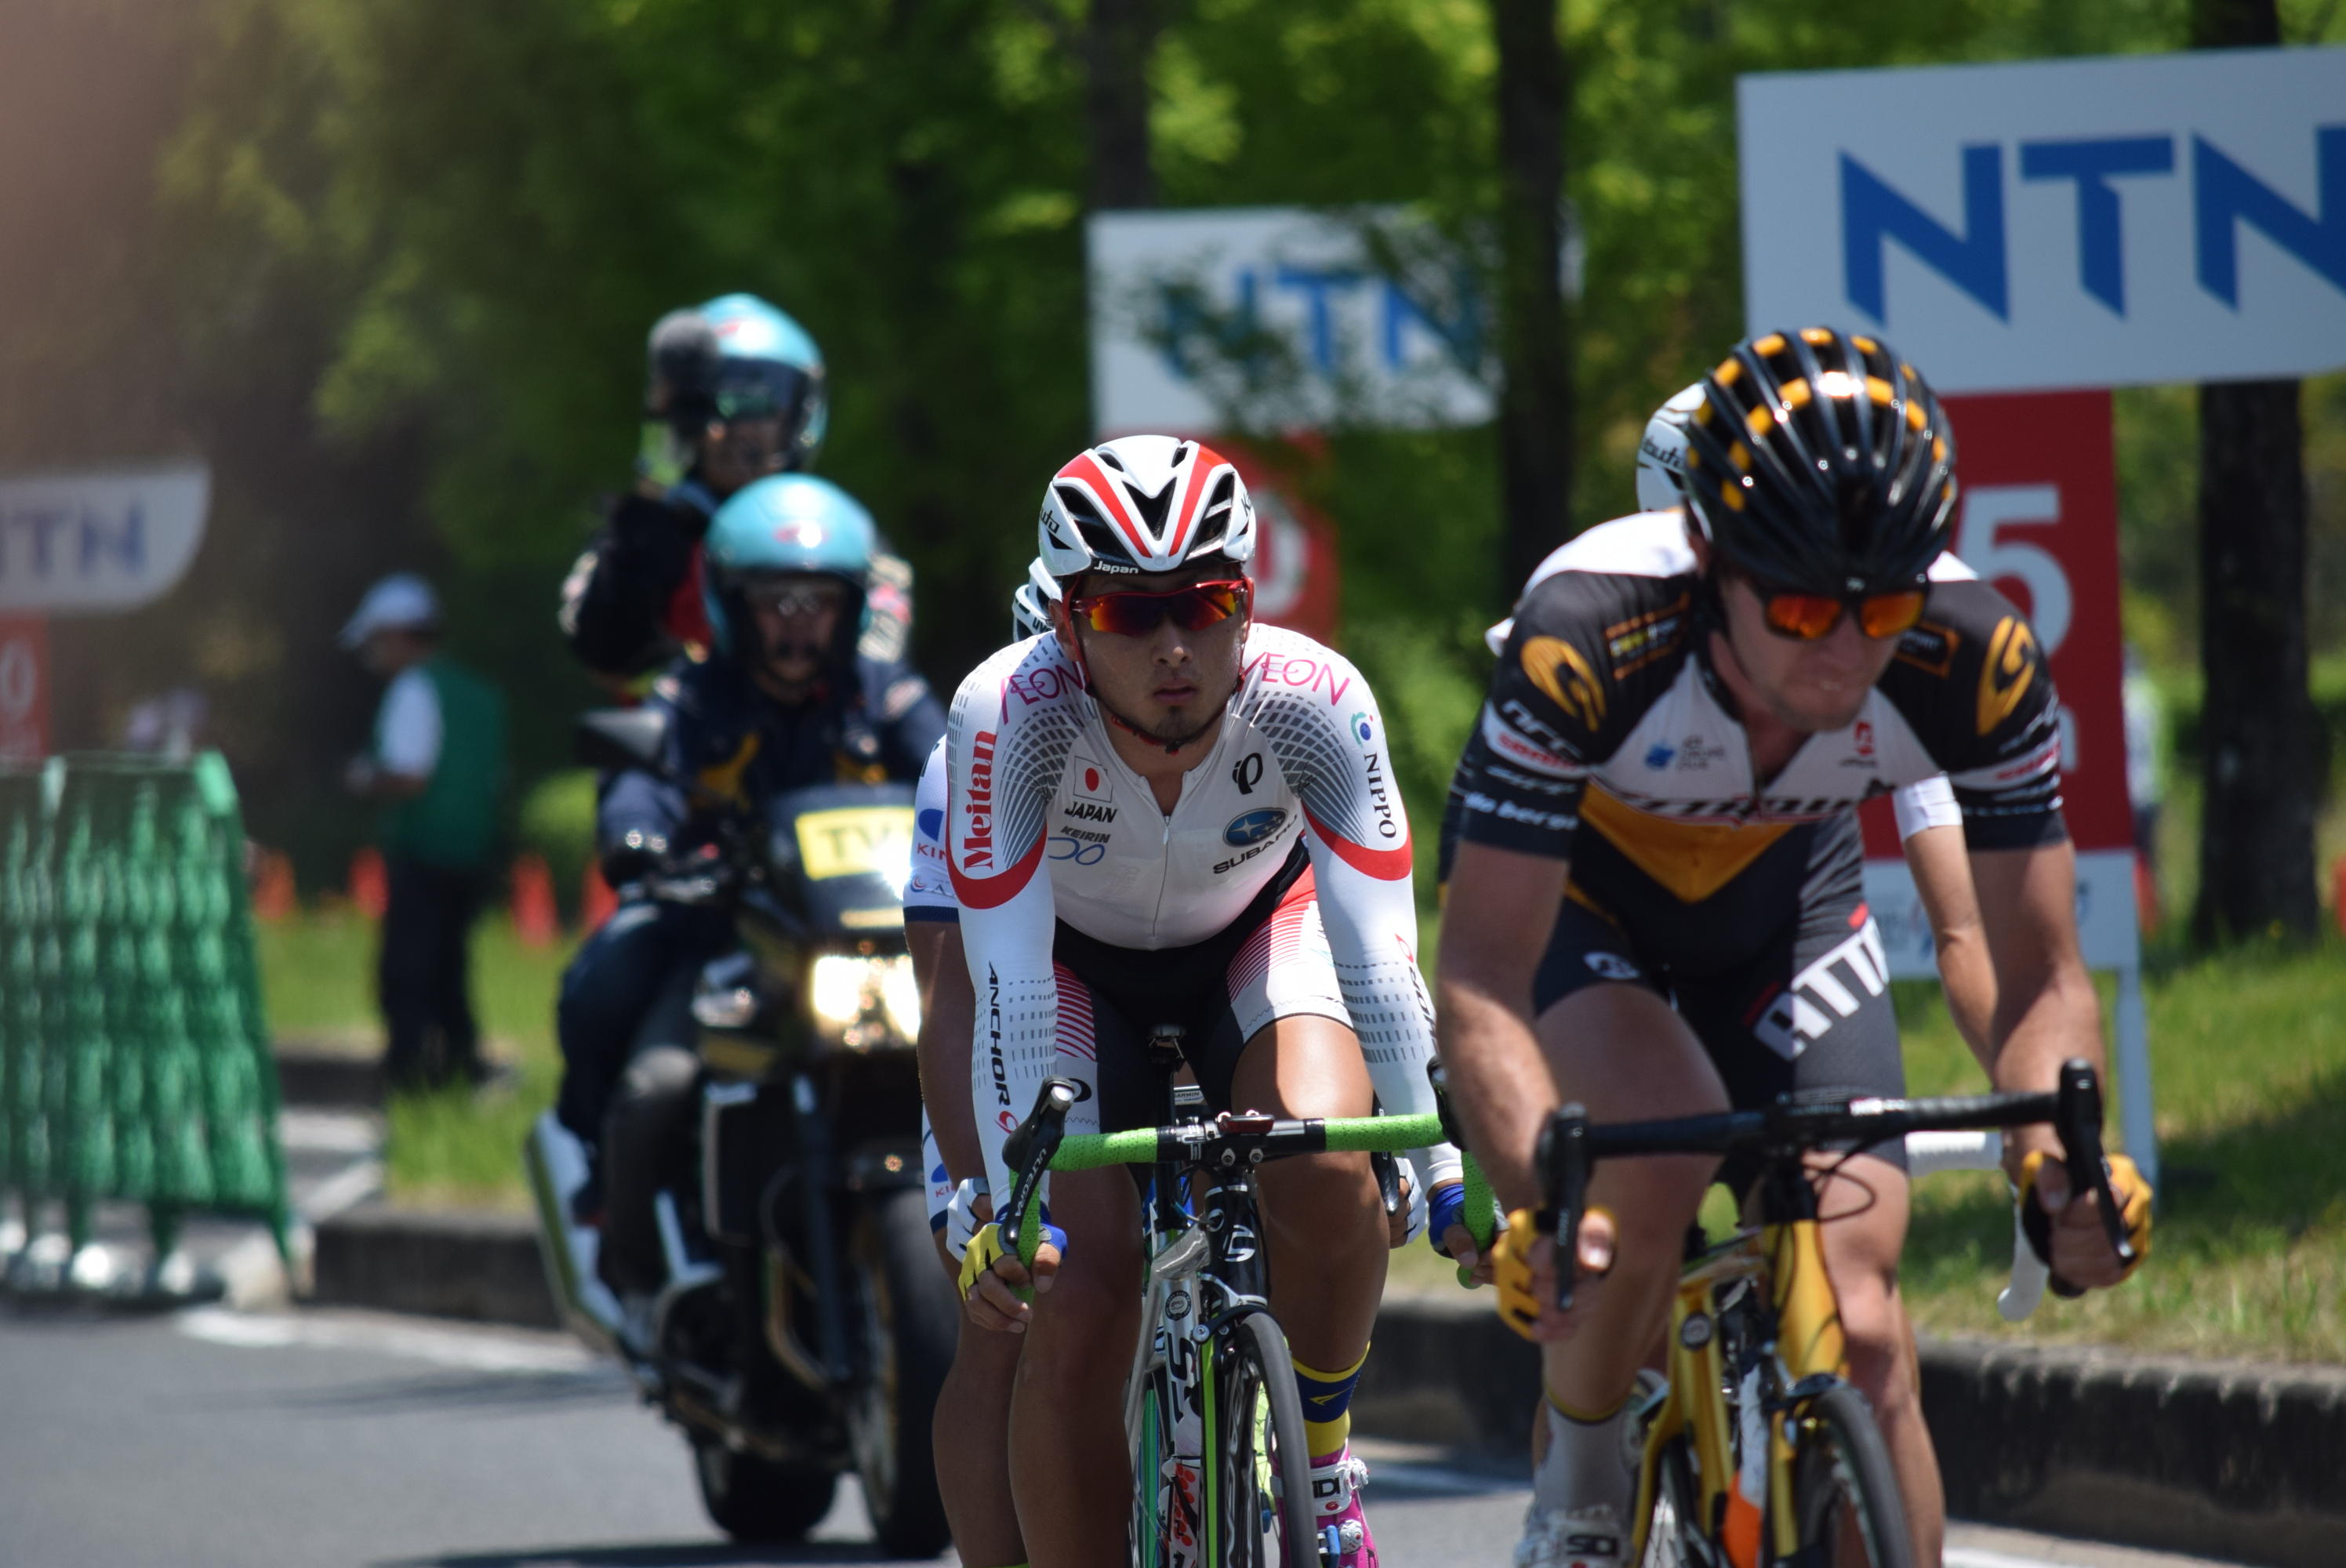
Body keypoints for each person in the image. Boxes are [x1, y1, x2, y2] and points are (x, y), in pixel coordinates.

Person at [1434, 328, 2153, 1568]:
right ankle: (1585, 1482)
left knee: (1867, 1335)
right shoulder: (1585, 633)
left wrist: (2061, 1162)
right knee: (1660, 1155)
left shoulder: (1970, 655)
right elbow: (1483, 974)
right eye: (1806, 607)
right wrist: (1533, 1202)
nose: (1846, 649)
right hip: (1592, 917)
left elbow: (2036, 969)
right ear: (1709, 561)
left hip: (1788, 917)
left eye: (1882, 607)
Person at [943, 435, 1469, 1568]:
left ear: (1248, 600)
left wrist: (1445, 1170)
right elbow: (1008, 985)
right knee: (1075, 1291)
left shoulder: (1314, 697)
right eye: (1129, 615)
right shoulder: (1010, 711)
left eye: (1208, 602)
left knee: (1326, 1163)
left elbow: (1379, 958)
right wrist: (1009, 1205)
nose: (1175, 645)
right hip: (1075, 978)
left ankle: (1321, 1474)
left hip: (1253, 938)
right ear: (1071, 622)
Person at [553, 474, 943, 1307]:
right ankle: (639, 1265)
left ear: (850, 606)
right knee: (651, 1079)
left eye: (816, 601)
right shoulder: (688, 697)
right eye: (775, 600)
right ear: (732, 604)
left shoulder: (888, 693)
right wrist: (636, 835)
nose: (797, 621)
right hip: (723, 938)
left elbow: (954, 768)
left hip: (863, 946)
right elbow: (637, 781)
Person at [557, 294, 915, 681]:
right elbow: (601, 647)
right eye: (713, 402)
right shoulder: (638, 531)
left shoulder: (847, 535)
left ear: (801, 413)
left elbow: (881, 662)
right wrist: (653, 488)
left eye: (760, 401)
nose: (736, 427)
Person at [339, 573, 508, 1092]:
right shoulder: (479, 693)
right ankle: (462, 1072)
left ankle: (411, 1081)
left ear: (397, 634)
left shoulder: (414, 688)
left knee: (408, 975)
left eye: (377, 640)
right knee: (451, 971)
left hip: (422, 849)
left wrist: (364, 777)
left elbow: (410, 775)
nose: (374, 654)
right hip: (473, 851)